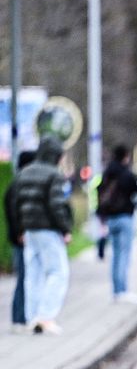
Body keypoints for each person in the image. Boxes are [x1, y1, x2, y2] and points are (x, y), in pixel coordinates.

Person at [10, 135, 72, 335]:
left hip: (29, 230)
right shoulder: (53, 174)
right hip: (48, 229)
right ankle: (46, 316)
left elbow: (15, 203)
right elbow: (56, 205)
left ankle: (32, 316)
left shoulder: (24, 173)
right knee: (58, 271)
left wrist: (19, 229)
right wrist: (65, 229)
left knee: (32, 273)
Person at [97, 145, 137, 301]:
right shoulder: (126, 174)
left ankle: (115, 290)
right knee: (124, 254)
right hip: (124, 217)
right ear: (126, 156)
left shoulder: (107, 173)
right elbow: (136, 191)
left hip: (111, 218)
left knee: (115, 255)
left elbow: (100, 192)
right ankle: (122, 290)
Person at [4, 149, 36, 332]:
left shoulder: (16, 184)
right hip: (21, 238)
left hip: (20, 236)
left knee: (25, 277)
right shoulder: (19, 185)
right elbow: (15, 213)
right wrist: (20, 233)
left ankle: (23, 316)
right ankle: (19, 318)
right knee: (24, 277)